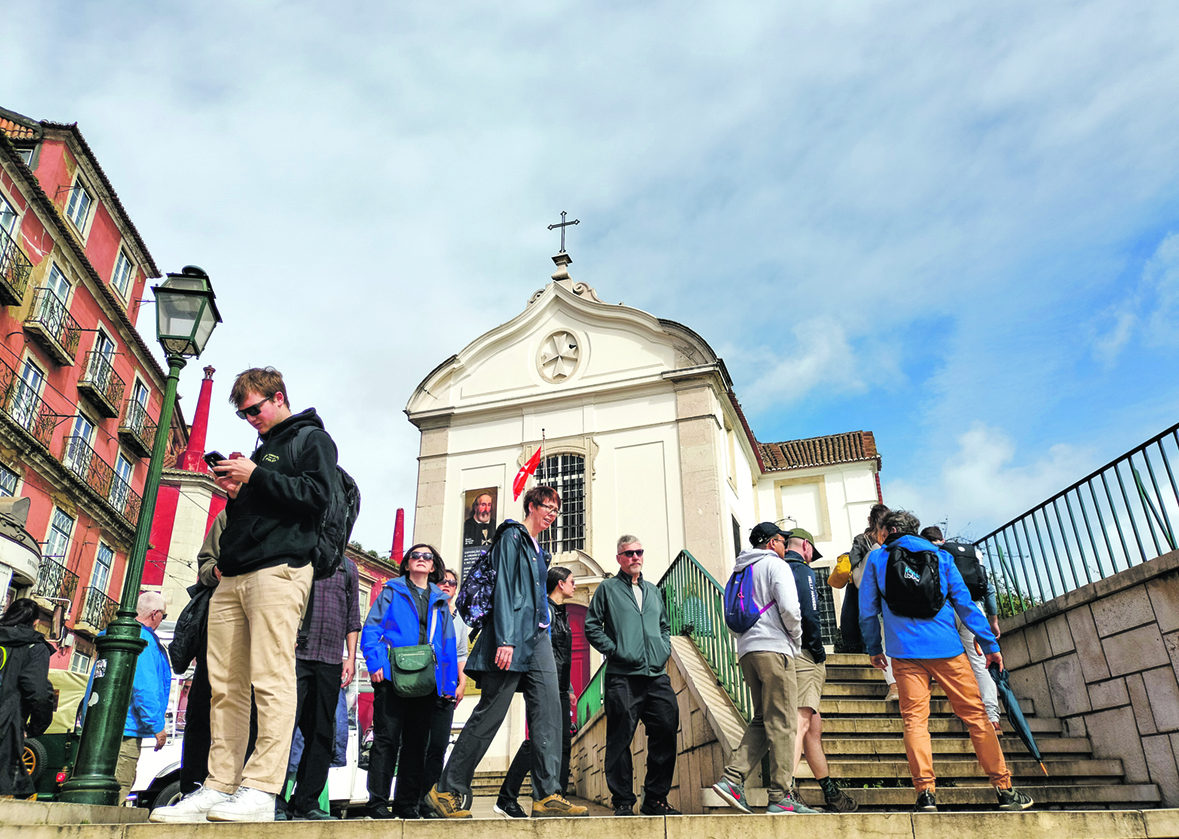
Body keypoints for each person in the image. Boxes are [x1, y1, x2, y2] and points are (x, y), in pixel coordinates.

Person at [154, 367, 337, 823]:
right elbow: (265, 507)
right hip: (233, 577)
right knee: (224, 687)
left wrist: (256, 475)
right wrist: (238, 492)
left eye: (255, 409)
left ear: (278, 398)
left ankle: (260, 789)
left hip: (280, 571)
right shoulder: (263, 451)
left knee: (271, 680)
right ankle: (219, 785)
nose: (251, 418)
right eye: (243, 413)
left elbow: (318, 498)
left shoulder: (311, 439)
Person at [427, 486, 587, 819]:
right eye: (548, 507)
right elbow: (506, 589)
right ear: (531, 506)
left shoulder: (539, 551)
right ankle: (446, 790)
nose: (552, 515)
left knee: (549, 714)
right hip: (511, 636)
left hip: (538, 637)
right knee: (491, 714)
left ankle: (547, 795)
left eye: (557, 511)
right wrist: (505, 638)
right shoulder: (512, 537)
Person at [859, 510, 1033, 813]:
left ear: (891, 530)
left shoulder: (877, 559)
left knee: (915, 722)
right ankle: (1004, 789)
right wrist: (990, 645)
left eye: (881, 531)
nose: (879, 536)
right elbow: (966, 606)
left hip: (903, 652)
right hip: (948, 650)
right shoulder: (941, 556)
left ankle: (925, 794)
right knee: (977, 717)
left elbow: (867, 610)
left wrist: (875, 648)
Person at [712, 523, 815, 815]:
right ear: (772, 543)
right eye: (783, 541)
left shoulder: (739, 571)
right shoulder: (775, 566)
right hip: (774, 648)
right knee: (783, 722)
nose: (785, 547)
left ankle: (732, 779)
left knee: (763, 718)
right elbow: (791, 609)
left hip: (747, 651)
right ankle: (781, 795)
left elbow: (731, 613)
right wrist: (795, 638)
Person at [585, 535, 680, 817]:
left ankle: (655, 799)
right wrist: (615, 651)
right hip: (623, 676)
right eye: (628, 554)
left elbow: (664, 626)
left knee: (666, 729)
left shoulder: (653, 590)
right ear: (619, 558)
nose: (635, 557)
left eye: (639, 552)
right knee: (620, 738)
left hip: (656, 674)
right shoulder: (607, 589)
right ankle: (624, 800)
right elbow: (592, 626)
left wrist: (663, 648)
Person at [361, 544, 458, 819]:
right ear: (406, 564)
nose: (421, 559)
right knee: (386, 740)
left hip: (427, 679)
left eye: (427, 557)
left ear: (433, 566)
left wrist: (448, 683)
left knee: (417, 745)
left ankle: (407, 804)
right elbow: (372, 629)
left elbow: (448, 644)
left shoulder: (440, 600)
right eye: (415, 555)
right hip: (392, 676)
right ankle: (377, 802)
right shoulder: (391, 591)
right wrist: (376, 663)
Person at [784, 528, 857, 813]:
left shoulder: (774, 568)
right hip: (804, 654)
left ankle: (830, 792)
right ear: (804, 546)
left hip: (784, 653)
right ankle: (785, 792)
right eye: (812, 553)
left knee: (813, 726)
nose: (812, 559)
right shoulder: (801, 571)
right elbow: (810, 613)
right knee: (801, 724)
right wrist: (817, 651)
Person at [283, 555, 360, 819]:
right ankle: (275, 799)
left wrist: (350, 657)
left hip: (330, 660)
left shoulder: (349, 568)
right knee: (283, 728)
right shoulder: (301, 557)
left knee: (322, 732)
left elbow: (352, 617)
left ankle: (306, 801)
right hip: (296, 657)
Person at [496, 566, 577, 817]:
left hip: (560, 688)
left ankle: (556, 797)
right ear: (560, 584)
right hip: (544, 686)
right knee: (538, 743)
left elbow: (561, 656)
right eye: (571, 581)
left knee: (561, 744)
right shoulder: (546, 613)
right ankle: (507, 796)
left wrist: (569, 687)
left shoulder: (561, 614)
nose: (574, 585)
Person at [920, 526, 1002, 731]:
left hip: (944, 613)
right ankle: (992, 717)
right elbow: (988, 589)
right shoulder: (972, 553)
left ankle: (963, 710)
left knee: (951, 663)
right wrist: (993, 620)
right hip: (973, 611)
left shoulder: (929, 554)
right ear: (943, 538)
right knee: (980, 664)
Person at [419, 567, 469, 818]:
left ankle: (430, 798)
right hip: (425, 685)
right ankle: (413, 798)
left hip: (447, 691)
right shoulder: (429, 610)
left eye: (452, 582)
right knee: (420, 744)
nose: (448, 585)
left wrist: (462, 684)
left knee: (438, 746)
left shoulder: (459, 620)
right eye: (443, 581)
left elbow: (461, 654)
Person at [0, 598, 54, 798]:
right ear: (35, 623)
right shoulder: (34, 647)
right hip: (7, 727)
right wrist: (34, 728)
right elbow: (38, 692)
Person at [841, 504, 896, 700]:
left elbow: (854, 566)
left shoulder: (860, 540)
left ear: (869, 520)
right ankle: (896, 682)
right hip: (893, 595)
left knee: (877, 638)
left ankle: (892, 684)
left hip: (871, 595)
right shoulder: (895, 539)